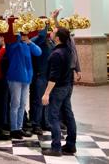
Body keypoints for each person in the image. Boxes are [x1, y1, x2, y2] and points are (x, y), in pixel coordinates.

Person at [42, 27, 77, 156]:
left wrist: (46, 93)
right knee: (68, 116)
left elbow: (53, 77)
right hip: (67, 86)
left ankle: (56, 148)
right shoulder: (67, 49)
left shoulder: (57, 54)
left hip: (58, 88)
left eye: (53, 31)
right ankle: (70, 145)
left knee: (53, 117)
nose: (50, 32)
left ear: (57, 38)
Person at [6, 34, 42, 139]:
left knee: (23, 104)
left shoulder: (27, 44)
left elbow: (38, 52)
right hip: (15, 77)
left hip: (26, 78)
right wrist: (18, 37)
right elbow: (9, 51)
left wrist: (29, 41)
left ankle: (19, 127)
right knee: (15, 104)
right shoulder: (12, 43)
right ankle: (14, 129)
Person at [30, 23, 54, 135]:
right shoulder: (36, 40)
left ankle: (46, 122)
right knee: (38, 101)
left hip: (48, 74)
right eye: (45, 26)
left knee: (46, 100)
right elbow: (41, 36)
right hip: (40, 74)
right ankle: (36, 124)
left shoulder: (50, 41)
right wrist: (46, 24)